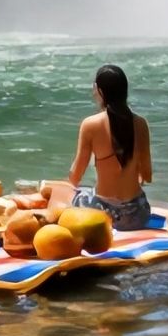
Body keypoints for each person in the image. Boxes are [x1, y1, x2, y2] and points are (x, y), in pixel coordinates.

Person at [58, 64, 153, 232]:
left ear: (100, 91)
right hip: (139, 214)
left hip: (103, 216)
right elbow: (147, 175)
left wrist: (63, 187)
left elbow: (76, 176)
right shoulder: (141, 123)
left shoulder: (90, 124)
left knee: (62, 193)